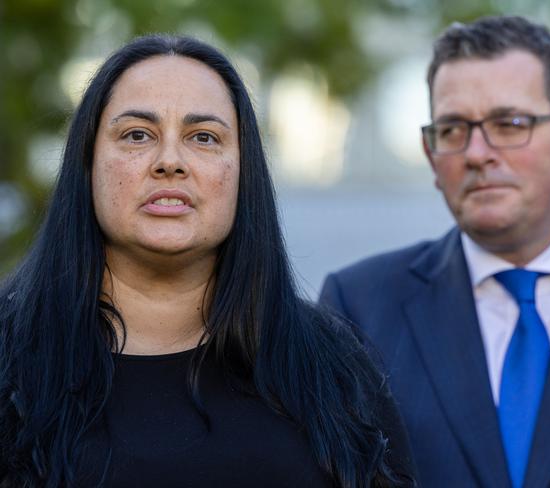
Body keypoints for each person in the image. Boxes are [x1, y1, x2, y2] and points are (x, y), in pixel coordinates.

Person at [0, 34, 416, 487]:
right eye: (137, 135)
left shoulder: (332, 371)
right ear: (88, 164)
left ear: (243, 172)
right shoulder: (10, 361)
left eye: (204, 137)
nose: (170, 162)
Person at [320, 15, 550, 488]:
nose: (476, 152)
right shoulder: (359, 309)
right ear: (432, 156)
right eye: (453, 129)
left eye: (509, 123)